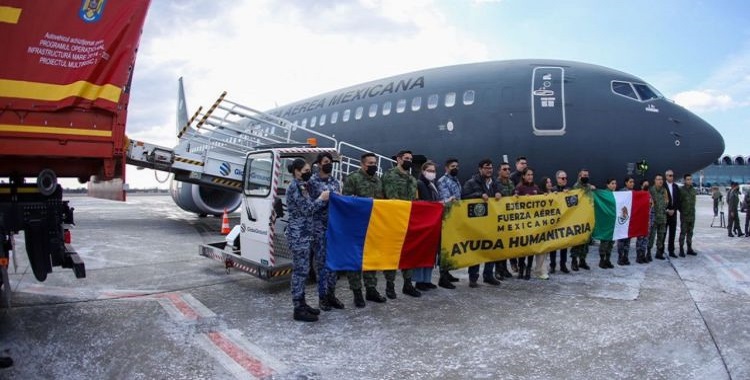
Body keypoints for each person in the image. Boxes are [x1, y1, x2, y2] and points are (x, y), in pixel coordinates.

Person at [285, 158, 330, 322]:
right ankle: (298, 308)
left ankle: (302, 303)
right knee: (300, 272)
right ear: (296, 171)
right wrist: (322, 199)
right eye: (305, 171)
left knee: (303, 271)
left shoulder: (302, 186)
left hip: (304, 234)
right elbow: (307, 209)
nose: (308, 173)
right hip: (298, 235)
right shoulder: (295, 187)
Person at [343, 152, 387, 307]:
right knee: (355, 261)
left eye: (375, 163)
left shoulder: (378, 180)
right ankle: (357, 293)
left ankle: (371, 289)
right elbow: (346, 201)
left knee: (372, 258)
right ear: (362, 164)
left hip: (373, 226)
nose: (373, 166)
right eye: (370, 163)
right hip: (356, 226)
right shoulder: (353, 178)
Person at [382, 150, 422, 298]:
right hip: (393, 221)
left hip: (408, 221)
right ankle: (389, 286)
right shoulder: (389, 175)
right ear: (398, 159)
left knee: (409, 253)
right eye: (406, 158)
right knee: (392, 255)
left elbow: (415, 200)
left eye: (410, 159)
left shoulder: (412, 179)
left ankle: (407, 284)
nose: (409, 161)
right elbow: (391, 198)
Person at [309, 152, 345, 311]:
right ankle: (322, 297)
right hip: (319, 227)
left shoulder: (335, 182)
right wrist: (322, 199)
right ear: (318, 164)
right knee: (322, 264)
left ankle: (331, 294)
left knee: (333, 263)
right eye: (325, 161)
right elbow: (309, 208)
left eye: (330, 161)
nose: (328, 164)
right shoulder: (311, 182)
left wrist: (341, 198)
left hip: (334, 227)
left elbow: (340, 204)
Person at [462, 158, 502, 287]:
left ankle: (488, 275)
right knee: (477, 250)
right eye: (486, 168)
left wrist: (499, 193)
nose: (489, 170)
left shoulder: (495, 182)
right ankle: (473, 277)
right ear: (480, 169)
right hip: (477, 222)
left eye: (490, 168)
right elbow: (463, 197)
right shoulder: (471, 182)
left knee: (491, 249)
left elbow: (504, 194)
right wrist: (479, 195)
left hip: (491, 222)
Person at [414, 161, 441, 291]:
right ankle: (419, 281)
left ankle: (427, 279)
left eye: (433, 171)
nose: (432, 173)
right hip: (424, 222)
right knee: (422, 252)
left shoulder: (432, 184)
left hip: (433, 222)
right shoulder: (419, 184)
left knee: (431, 252)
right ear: (423, 171)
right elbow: (422, 202)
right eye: (429, 170)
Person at [436, 158, 461, 289]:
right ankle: (442, 277)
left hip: (454, 218)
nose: (455, 168)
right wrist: (451, 200)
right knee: (443, 249)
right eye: (452, 166)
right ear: (446, 168)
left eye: (456, 166)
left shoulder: (455, 180)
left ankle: (447, 272)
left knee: (450, 247)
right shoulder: (442, 181)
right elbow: (444, 200)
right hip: (445, 218)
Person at [514, 167, 540, 280]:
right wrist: (519, 198)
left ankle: (528, 269)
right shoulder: (520, 187)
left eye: (532, 174)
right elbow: (513, 200)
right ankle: (521, 269)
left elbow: (544, 197)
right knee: (522, 249)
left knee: (531, 248)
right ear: (523, 176)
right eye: (528, 175)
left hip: (533, 223)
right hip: (522, 222)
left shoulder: (535, 187)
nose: (530, 177)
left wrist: (550, 194)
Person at [493, 161, 516, 280]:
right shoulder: (495, 183)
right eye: (504, 169)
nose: (507, 171)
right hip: (498, 218)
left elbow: (513, 195)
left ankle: (505, 268)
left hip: (509, 218)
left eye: (508, 169)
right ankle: (498, 270)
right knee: (499, 246)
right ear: (499, 171)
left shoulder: (511, 182)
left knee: (507, 246)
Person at [570, 169, 595, 271]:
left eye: (587, 175)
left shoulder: (588, 186)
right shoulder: (576, 187)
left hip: (587, 217)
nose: (586, 177)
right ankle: (574, 261)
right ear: (579, 176)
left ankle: (582, 260)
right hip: (578, 218)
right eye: (584, 175)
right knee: (577, 240)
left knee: (586, 240)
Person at [508, 156, 528, 274]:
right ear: (516, 165)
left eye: (525, 163)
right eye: (521, 163)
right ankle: (513, 262)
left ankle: (521, 263)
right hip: (513, 213)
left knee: (523, 241)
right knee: (513, 240)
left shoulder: (527, 178)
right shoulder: (512, 178)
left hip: (524, 215)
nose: (524, 165)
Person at [549, 170, 570, 273]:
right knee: (553, 245)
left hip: (565, 222)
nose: (564, 180)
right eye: (562, 178)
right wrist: (554, 195)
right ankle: (552, 265)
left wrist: (568, 194)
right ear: (557, 179)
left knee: (564, 245)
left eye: (566, 178)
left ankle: (563, 265)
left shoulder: (570, 190)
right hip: (554, 222)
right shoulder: (552, 190)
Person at [532, 176, 553, 279]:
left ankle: (541, 269)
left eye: (550, 182)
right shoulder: (540, 195)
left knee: (546, 249)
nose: (549, 184)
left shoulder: (554, 194)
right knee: (541, 249)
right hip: (541, 226)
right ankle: (541, 270)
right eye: (547, 182)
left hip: (550, 225)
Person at [648, 174, 669, 259]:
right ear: (655, 180)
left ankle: (659, 252)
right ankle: (648, 252)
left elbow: (666, 202)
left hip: (663, 218)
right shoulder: (651, 190)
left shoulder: (664, 190)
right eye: (658, 179)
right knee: (651, 237)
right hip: (654, 218)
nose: (660, 181)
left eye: (661, 179)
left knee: (661, 236)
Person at [616, 176, 635, 265]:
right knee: (621, 240)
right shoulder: (621, 192)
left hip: (630, 220)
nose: (632, 183)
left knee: (628, 240)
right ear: (626, 183)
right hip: (622, 219)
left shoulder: (634, 193)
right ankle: (620, 258)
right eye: (630, 182)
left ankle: (625, 257)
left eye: (633, 182)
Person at [598, 178, 618, 269]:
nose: (614, 185)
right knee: (604, 242)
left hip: (613, 222)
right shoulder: (604, 194)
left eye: (615, 183)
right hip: (606, 222)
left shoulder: (616, 195)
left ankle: (608, 260)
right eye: (612, 183)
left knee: (611, 242)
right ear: (607, 185)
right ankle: (602, 260)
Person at [678, 173, 697, 256]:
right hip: (685, 215)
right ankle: (681, 249)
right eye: (688, 179)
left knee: (690, 233)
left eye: (690, 179)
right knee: (683, 232)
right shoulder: (681, 190)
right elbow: (678, 203)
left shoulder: (693, 190)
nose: (689, 181)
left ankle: (689, 248)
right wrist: (682, 211)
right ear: (684, 180)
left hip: (692, 215)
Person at [634, 179, 653, 264]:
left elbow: (652, 207)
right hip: (640, 221)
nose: (646, 186)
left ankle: (643, 255)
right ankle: (638, 256)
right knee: (640, 239)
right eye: (645, 185)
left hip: (647, 221)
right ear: (641, 186)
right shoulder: (638, 195)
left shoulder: (649, 195)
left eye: (647, 185)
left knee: (646, 240)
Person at [664, 170, 681, 258]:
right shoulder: (663, 187)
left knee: (672, 233)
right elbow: (660, 201)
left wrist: (674, 209)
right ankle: (660, 251)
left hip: (673, 214)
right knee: (663, 233)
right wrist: (667, 210)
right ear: (666, 176)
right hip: (665, 214)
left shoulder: (676, 187)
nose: (671, 177)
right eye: (670, 175)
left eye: (672, 175)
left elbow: (678, 200)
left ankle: (671, 251)